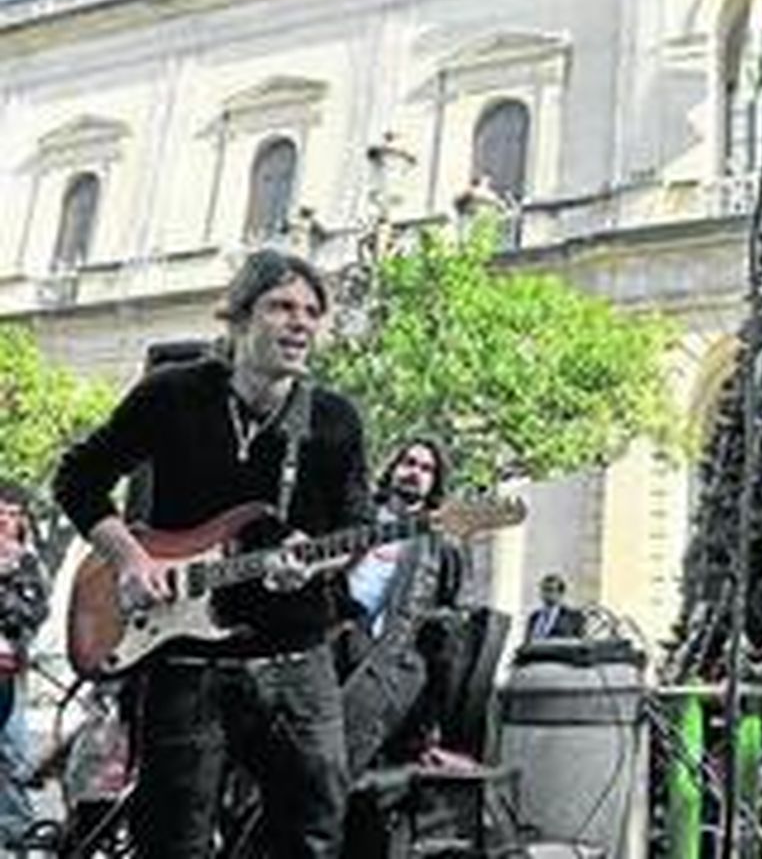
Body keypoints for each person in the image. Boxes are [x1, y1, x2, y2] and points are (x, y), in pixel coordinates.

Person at [54, 248, 370, 859]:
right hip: (186, 660)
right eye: (281, 306)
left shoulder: (334, 420)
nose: (300, 322)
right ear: (240, 316)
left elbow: (357, 526)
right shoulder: (171, 396)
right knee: (174, 838)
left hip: (296, 659)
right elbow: (78, 478)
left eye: (311, 311)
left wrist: (316, 559)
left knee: (314, 829)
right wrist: (129, 560)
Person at [339, 435, 468, 773]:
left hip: (387, 661)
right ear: (393, 468)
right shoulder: (355, 519)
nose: (415, 473)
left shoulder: (441, 545)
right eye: (408, 462)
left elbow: (445, 623)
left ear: (434, 482)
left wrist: (430, 721)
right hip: (332, 642)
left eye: (426, 469)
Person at [0, 481, 50, 846]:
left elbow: (36, 612)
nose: (6, 521)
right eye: (0, 513)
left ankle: (18, 833)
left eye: (13, 514)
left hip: (7, 668)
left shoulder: (28, 561)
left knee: (11, 750)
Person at [522, 573, 585, 643]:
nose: (546, 594)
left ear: (560, 593)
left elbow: (581, 643)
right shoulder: (534, 616)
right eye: (543, 590)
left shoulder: (573, 616)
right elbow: (527, 642)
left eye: (550, 590)